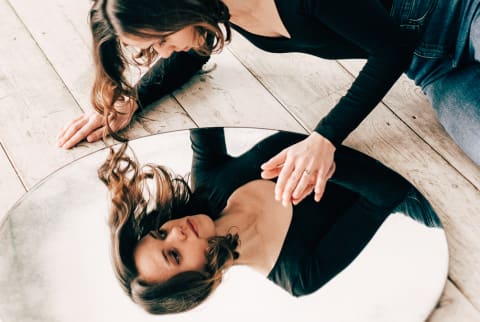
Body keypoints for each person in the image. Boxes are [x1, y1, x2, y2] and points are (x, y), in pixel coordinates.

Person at [58, 0, 480, 208]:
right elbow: (192, 51)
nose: (165, 52)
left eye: (162, 40)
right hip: (434, 68)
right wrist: (133, 99)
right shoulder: (218, 10)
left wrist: (325, 137)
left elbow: (390, 48)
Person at [98, 127, 441, 314]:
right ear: (199, 281)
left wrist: (123, 102)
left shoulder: (207, 186)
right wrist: (320, 162)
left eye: (160, 233)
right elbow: (386, 195)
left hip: (377, 122)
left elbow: (199, 103)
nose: (176, 232)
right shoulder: (299, 274)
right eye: (174, 255)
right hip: (422, 189)